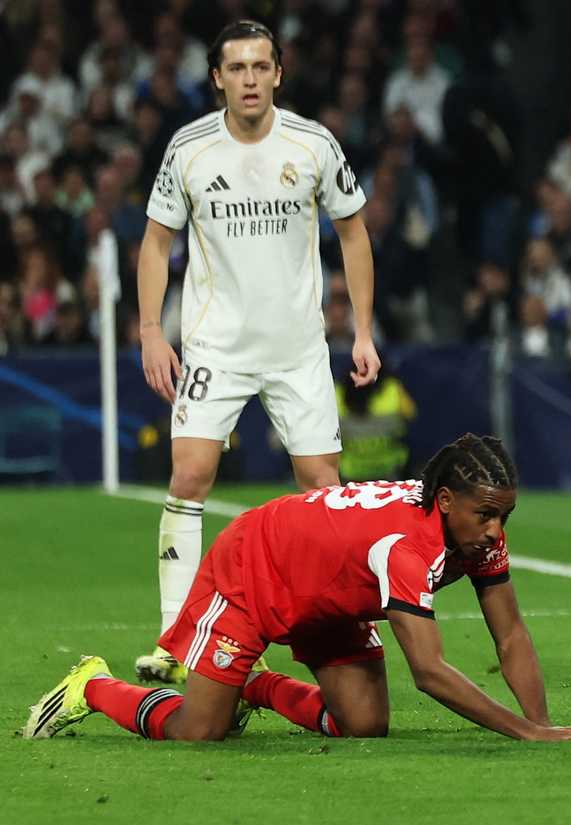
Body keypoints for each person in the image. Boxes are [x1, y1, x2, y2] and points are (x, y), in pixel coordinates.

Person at [24, 435, 571, 743]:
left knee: (365, 725)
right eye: (486, 515)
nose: (497, 530)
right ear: (445, 502)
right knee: (197, 732)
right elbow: (429, 671)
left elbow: (511, 634)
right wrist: (525, 733)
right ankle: (94, 686)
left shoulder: (477, 536)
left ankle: (252, 686)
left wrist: (544, 724)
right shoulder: (406, 548)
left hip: (332, 597)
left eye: (506, 515)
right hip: (256, 567)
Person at [135, 21, 381, 685]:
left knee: (323, 490)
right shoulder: (189, 148)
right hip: (216, 342)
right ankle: (173, 638)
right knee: (188, 475)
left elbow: (353, 235)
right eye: (236, 67)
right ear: (217, 76)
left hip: (298, 347)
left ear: (279, 73)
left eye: (260, 66)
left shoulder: (313, 143)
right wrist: (152, 332)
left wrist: (360, 329)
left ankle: (338, 635)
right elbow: (157, 243)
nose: (249, 78)